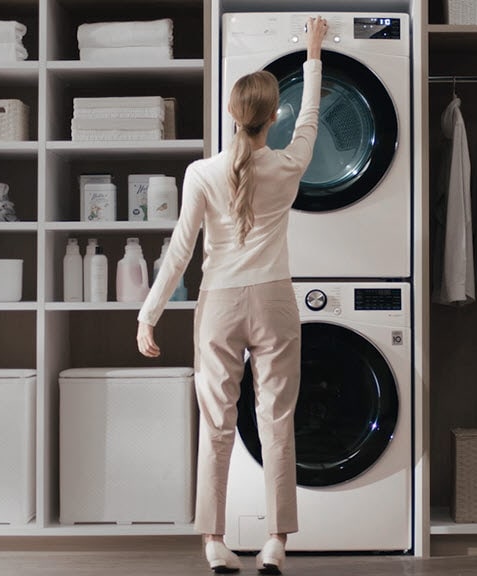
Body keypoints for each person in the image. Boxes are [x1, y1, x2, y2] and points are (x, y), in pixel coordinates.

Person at [137, 16, 328, 575]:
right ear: (272, 118)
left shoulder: (200, 174)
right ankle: (275, 543)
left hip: (218, 305)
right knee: (277, 422)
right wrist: (313, 55)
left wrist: (149, 316)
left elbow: (179, 252)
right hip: (274, 302)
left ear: (230, 115)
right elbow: (312, 119)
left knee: (216, 426)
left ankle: (215, 544)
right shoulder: (289, 165)